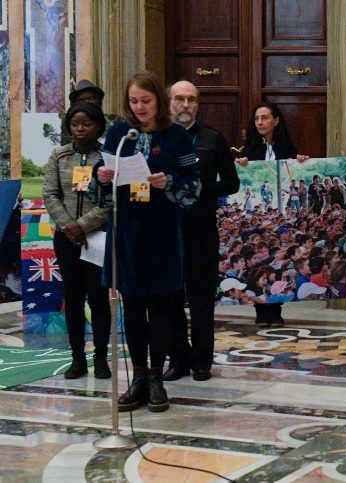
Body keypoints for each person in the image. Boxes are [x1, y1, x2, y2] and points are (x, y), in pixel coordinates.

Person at [93, 71, 200, 413]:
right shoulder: (118, 133)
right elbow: (100, 181)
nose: (139, 107)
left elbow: (193, 186)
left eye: (146, 101)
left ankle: (156, 378)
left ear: (159, 101)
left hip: (163, 233)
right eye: (133, 101)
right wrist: (102, 176)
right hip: (127, 231)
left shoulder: (176, 137)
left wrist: (167, 182)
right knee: (134, 308)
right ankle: (137, 377)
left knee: (163, 309)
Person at [163, 81, 239, 382]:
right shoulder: (157, 139)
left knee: (201, 300)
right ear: (169, 102)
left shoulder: (212, 138)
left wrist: (200, 189)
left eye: (191, 99)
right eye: (180, 99)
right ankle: (178, 359)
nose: (185, 105)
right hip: (167, 231)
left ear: (198, 104)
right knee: (169, 299)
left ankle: (202, 361)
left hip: (202, 230)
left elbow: (232, 183)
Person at [43, 100, 110, 379]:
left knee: (98, 297)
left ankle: (101, 358)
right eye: (75, 124)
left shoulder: (106, 157)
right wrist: (69, 225)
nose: (80, 129)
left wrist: (83, 225)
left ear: (99, 127)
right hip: (66, 237)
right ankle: (77, 358)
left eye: (87, 123)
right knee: (72, 297)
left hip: (97, 238)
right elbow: (50, 193)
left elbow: (109, 202)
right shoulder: (58, 155)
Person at [236, 102, 308, 326]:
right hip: (266, 206)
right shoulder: (249, 150)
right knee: (260, 266)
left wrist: (302, 162)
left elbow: (295, 165)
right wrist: (241, 164)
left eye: (265, 118)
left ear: (276, 120)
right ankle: (261, 310)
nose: (260, 122)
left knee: (275, 265)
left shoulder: (286, 147)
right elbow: (236, 174)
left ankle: (275, 310)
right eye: (257, 118)